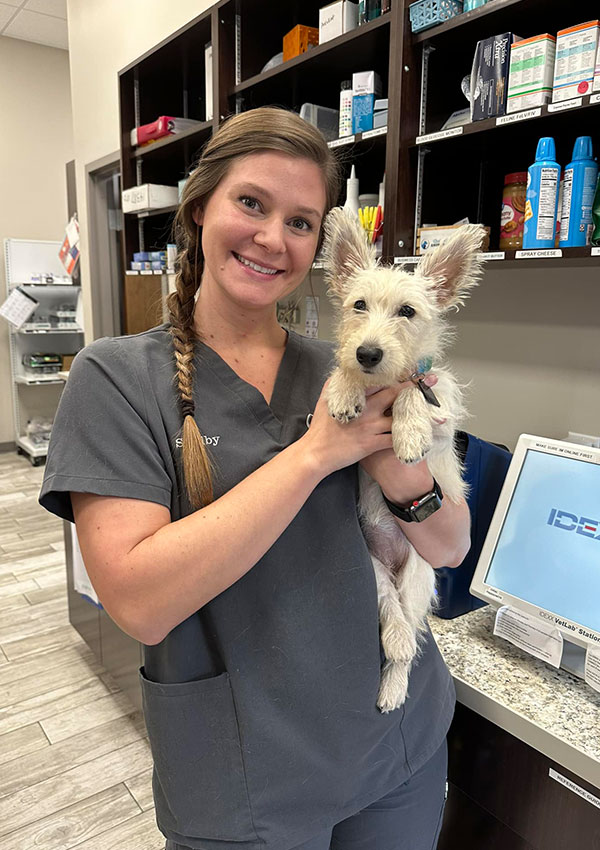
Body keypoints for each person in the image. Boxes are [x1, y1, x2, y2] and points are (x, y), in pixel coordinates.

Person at [39, 107, 471, 850]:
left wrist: (402, 469)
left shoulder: (350, 367)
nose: (274, 237)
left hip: (394, 741)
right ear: (201, 203)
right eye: (251, 204)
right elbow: (139, 603)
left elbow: (450, 547)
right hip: (243, 778)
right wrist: (314, 455)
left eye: (302, 221)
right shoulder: (114, 378)